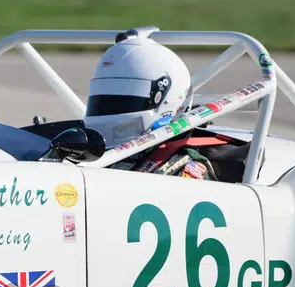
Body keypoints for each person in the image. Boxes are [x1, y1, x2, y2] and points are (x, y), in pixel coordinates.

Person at [84, 31, 215, 180]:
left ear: (168, 101)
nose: (108, 106)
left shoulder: (180, 173)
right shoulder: (83, 152)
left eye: (126, 100)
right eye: (103, 99)